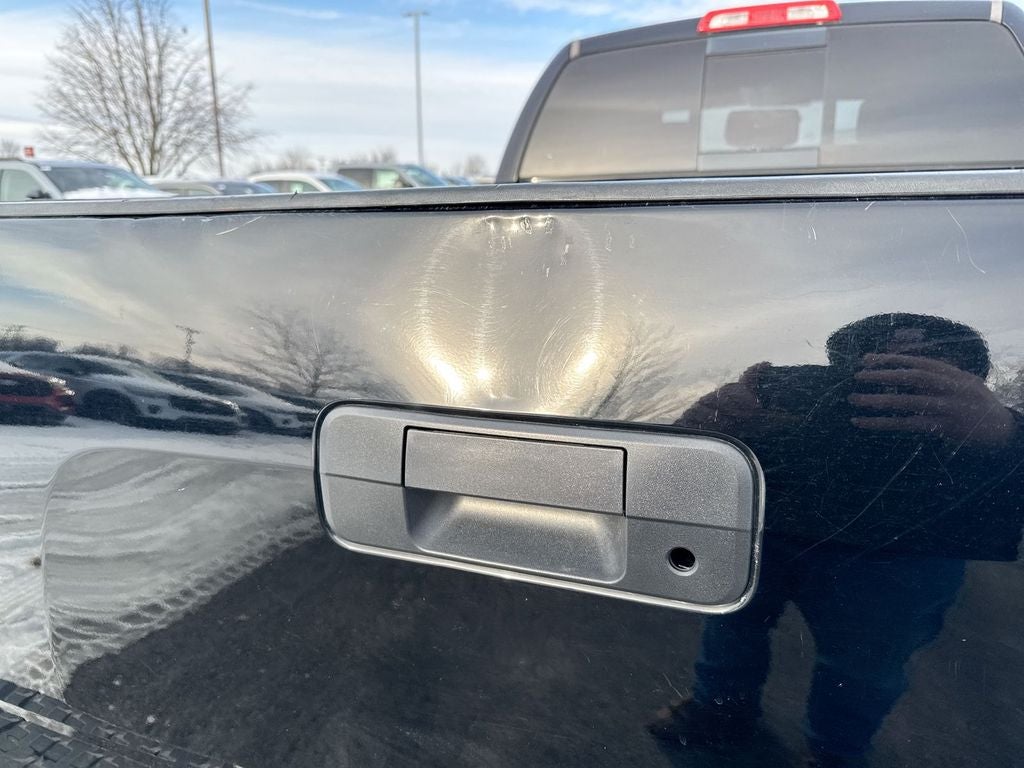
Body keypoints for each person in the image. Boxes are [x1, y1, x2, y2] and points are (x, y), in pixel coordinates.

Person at [650, 313, 1024, 767]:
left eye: (933, 357)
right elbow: (699, 444)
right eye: (877, 348)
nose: (900, 355)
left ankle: (834, 755)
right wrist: (708, 423)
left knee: (864, 667)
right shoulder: (795, 386)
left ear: (967, 376)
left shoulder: (982, 414)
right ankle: (720, 713)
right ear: (848, 360)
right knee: (732, 623)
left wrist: (1005, 432)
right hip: (769, 529)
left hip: (907, 555)